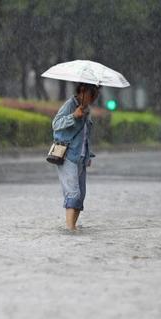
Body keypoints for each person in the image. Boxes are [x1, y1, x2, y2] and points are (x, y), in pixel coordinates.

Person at [52, 83, 100, 230]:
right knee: (73, 193)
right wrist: (73, 116)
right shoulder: (69, 105)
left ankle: (73, 227)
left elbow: (85, 136)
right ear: (83, 91)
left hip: (81, 158)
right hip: (68, 156)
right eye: (93, 95)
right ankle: (70, 229)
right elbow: (56, 124)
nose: (94, 99)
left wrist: (88, 155)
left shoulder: (87, 110)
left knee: (81, 195)